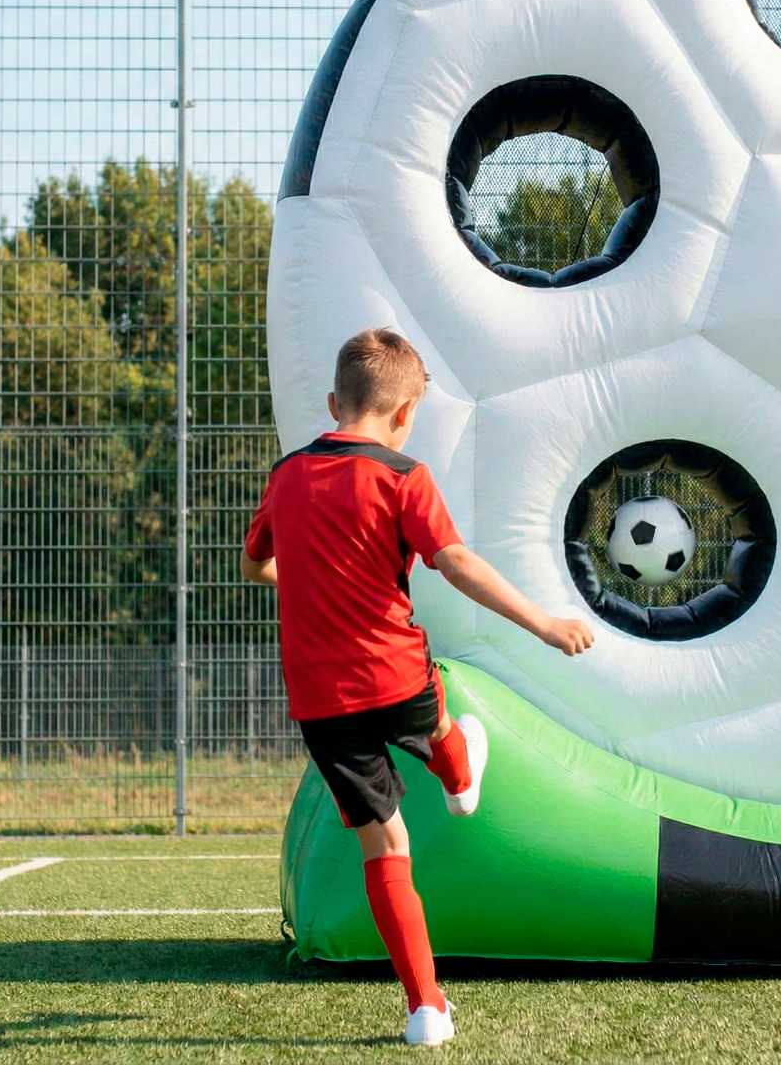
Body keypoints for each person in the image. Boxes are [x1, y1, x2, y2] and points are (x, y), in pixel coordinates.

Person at [240, 327, 594, 1047]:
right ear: (405, 414)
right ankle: (458, 777)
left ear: (334, 403)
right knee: (438, 729)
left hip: (321, 700)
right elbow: (455, 562)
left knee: (386, 848)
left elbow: (255, 565)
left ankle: (426, 1009)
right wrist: (545, 624)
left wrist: (304, 578)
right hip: (396, 676)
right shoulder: (404, 476)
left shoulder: (287, 476)